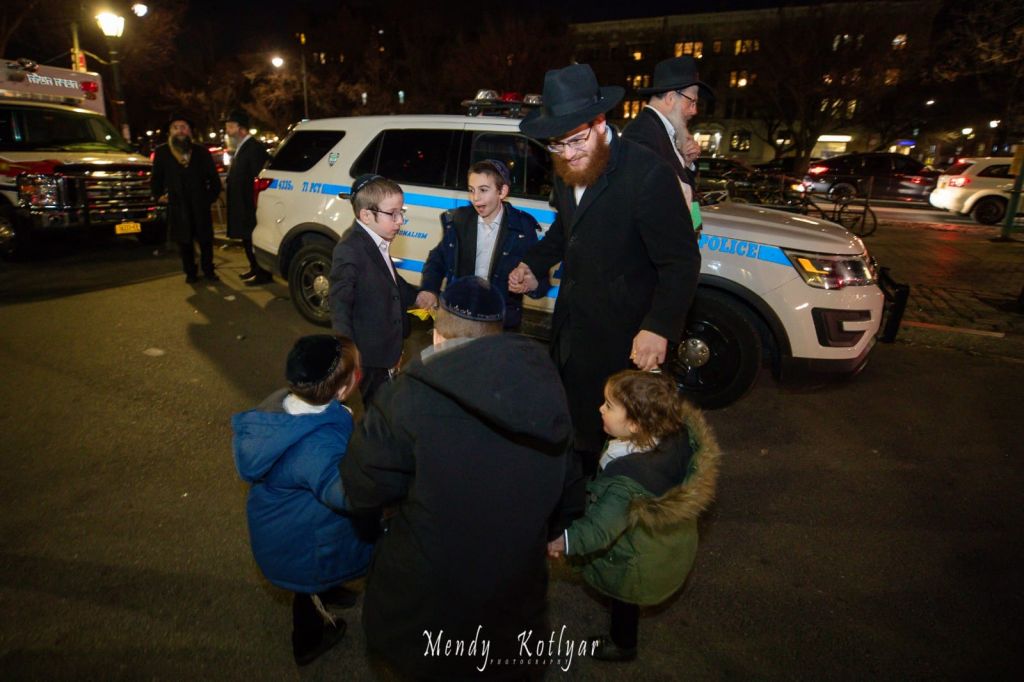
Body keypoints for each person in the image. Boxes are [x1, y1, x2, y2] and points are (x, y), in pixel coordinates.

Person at [340, 277, 572, 681]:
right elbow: (567, 487)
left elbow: (362, 487)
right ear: (497, 332)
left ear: (437, 334)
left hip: (425, 605)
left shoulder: (406, 397)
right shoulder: (546, 388)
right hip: (512, 600)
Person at [509, 63, 701, 516]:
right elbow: (567, 229)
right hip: (573, 328)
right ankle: (572, 514)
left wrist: (658, 326)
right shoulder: (567, 166)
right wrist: (535, 265)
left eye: (576, 140)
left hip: (623, 339)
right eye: (557, 144)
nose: (568, 154)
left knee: (616, 441)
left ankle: (606, 517)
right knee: (573, 429)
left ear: (600, 123)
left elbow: (681, 261)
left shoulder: (646, 173)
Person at [547, 370, 720, 662]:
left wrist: (562, 541)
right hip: (662, 544)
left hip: (635, 562)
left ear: (635, 425)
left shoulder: (625, 485)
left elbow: (599, 531)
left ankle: (622, 645)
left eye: (609, 405)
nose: (600, 409)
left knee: (624, 600)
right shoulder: (671, 432)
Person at [231, 334, 374, 666]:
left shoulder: (292, 403)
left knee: (320, 573)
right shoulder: (317, 448)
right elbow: (348, 494)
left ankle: (329, 586)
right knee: (306, 590)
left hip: (295, 522)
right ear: (341, 390)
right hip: (301, 542)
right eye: (357, 371)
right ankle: (308, 641)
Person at [415, 159, 548, 329]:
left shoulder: (523, 227)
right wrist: (429, 289)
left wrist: (530, 285)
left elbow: (540, 278)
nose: (475, 198)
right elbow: (438, 259)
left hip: (500, 321)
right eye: (471, 190)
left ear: (502, 191)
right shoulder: (458, 221)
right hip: (459, 315)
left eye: (483, 190)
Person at [328, 175, 418, 405]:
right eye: (393, 214)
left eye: (401, 212)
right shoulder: (349, 250)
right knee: (379, 412)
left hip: (387, 349)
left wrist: (420, 296)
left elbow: (391, 280)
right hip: (370, 357)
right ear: (366, 215)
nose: (400, 221)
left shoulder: (376, 238)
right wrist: (348, 358)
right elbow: (340, 305)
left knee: (387, 407)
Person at [623, 55, 714, 229]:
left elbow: (685, 193)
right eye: (692, 101)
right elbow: (648, 208)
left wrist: (687, 163)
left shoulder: (664, 133)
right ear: (671, 97)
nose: (694, 111)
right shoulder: (641, 134)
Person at [151, 114, 223, 283]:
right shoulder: (162, 152)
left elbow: (214, 179)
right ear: (170, 132)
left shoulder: (201, 152)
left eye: (183, 127)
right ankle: (190, 272)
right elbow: (156, 178)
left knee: (205, 239)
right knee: (184, 241)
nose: (180, 131)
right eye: (175, 128)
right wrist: (158, 195)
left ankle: (208, 270)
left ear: (190, 131)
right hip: (178, 204)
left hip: (200, 203)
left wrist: (209, 198)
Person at [224, 109, 271, 285]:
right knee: (246, 238)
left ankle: (262, 273)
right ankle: (254, 268)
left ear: (242, 129)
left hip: (249, 204)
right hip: (242, 203)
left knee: (252, 238)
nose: (227, 131)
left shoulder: (253, 148)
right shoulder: (242, 147)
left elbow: (258, 177)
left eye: (230, 127)